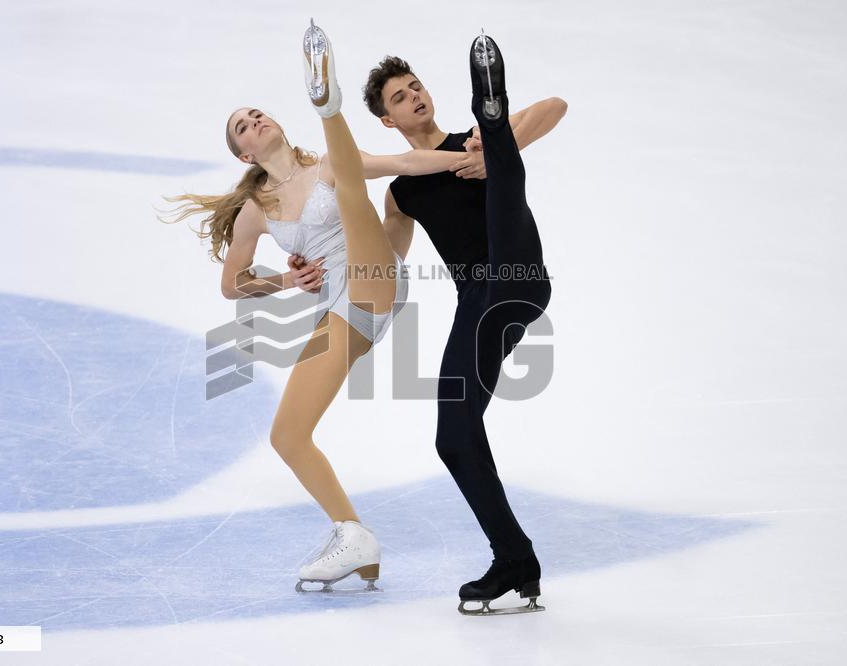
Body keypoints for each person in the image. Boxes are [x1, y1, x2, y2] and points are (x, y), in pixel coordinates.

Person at [161, 19, 481, 593]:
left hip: (376, 275)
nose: (254, 120)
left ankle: (326, 101)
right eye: (243, 126)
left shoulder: (326, 165)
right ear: (242, 151)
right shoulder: (256, 210)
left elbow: (408, 164)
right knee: (287, 434)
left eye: (256, 112)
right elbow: (233, 286)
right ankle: (352, 535)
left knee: (349, 180)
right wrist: (284, 280)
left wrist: (468, 158)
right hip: (340, 308)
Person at [362, 32, 568, 614]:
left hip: (520, 269)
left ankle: (494, 110)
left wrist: (489, 148)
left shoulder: (465, 141)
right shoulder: (401, 191)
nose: (415, 97)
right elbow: (384, 261)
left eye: (417, 86)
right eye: (400, 97)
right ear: (387, 120)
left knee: (503, 176)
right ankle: (514, 559)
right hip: (480, 301)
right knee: (452, 437)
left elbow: (555, 107)